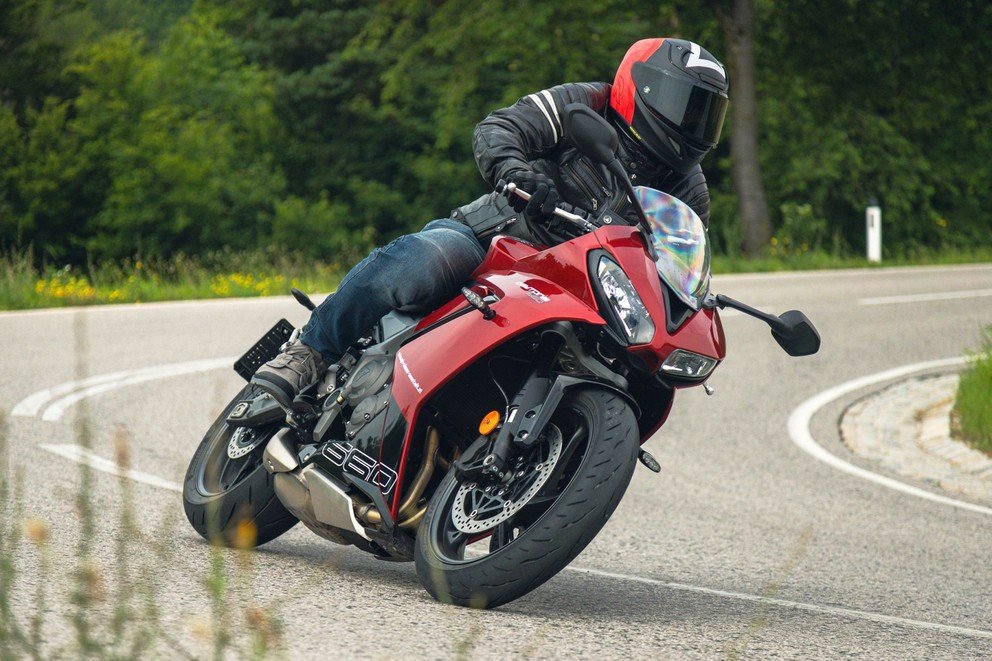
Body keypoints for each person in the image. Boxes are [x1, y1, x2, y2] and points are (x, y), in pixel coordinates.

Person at [251, 38, 730, 407]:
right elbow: (501, 127)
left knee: (631, 371)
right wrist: (516, 173)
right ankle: (309, 352)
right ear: (640, 86)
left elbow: (679, 255)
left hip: (580, 290)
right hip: (496, 240)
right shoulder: (586, 102)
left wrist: (693, 295)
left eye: (704, 114)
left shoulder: (688, 187)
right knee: (428, 258)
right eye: (683, 104)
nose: (691, 124)